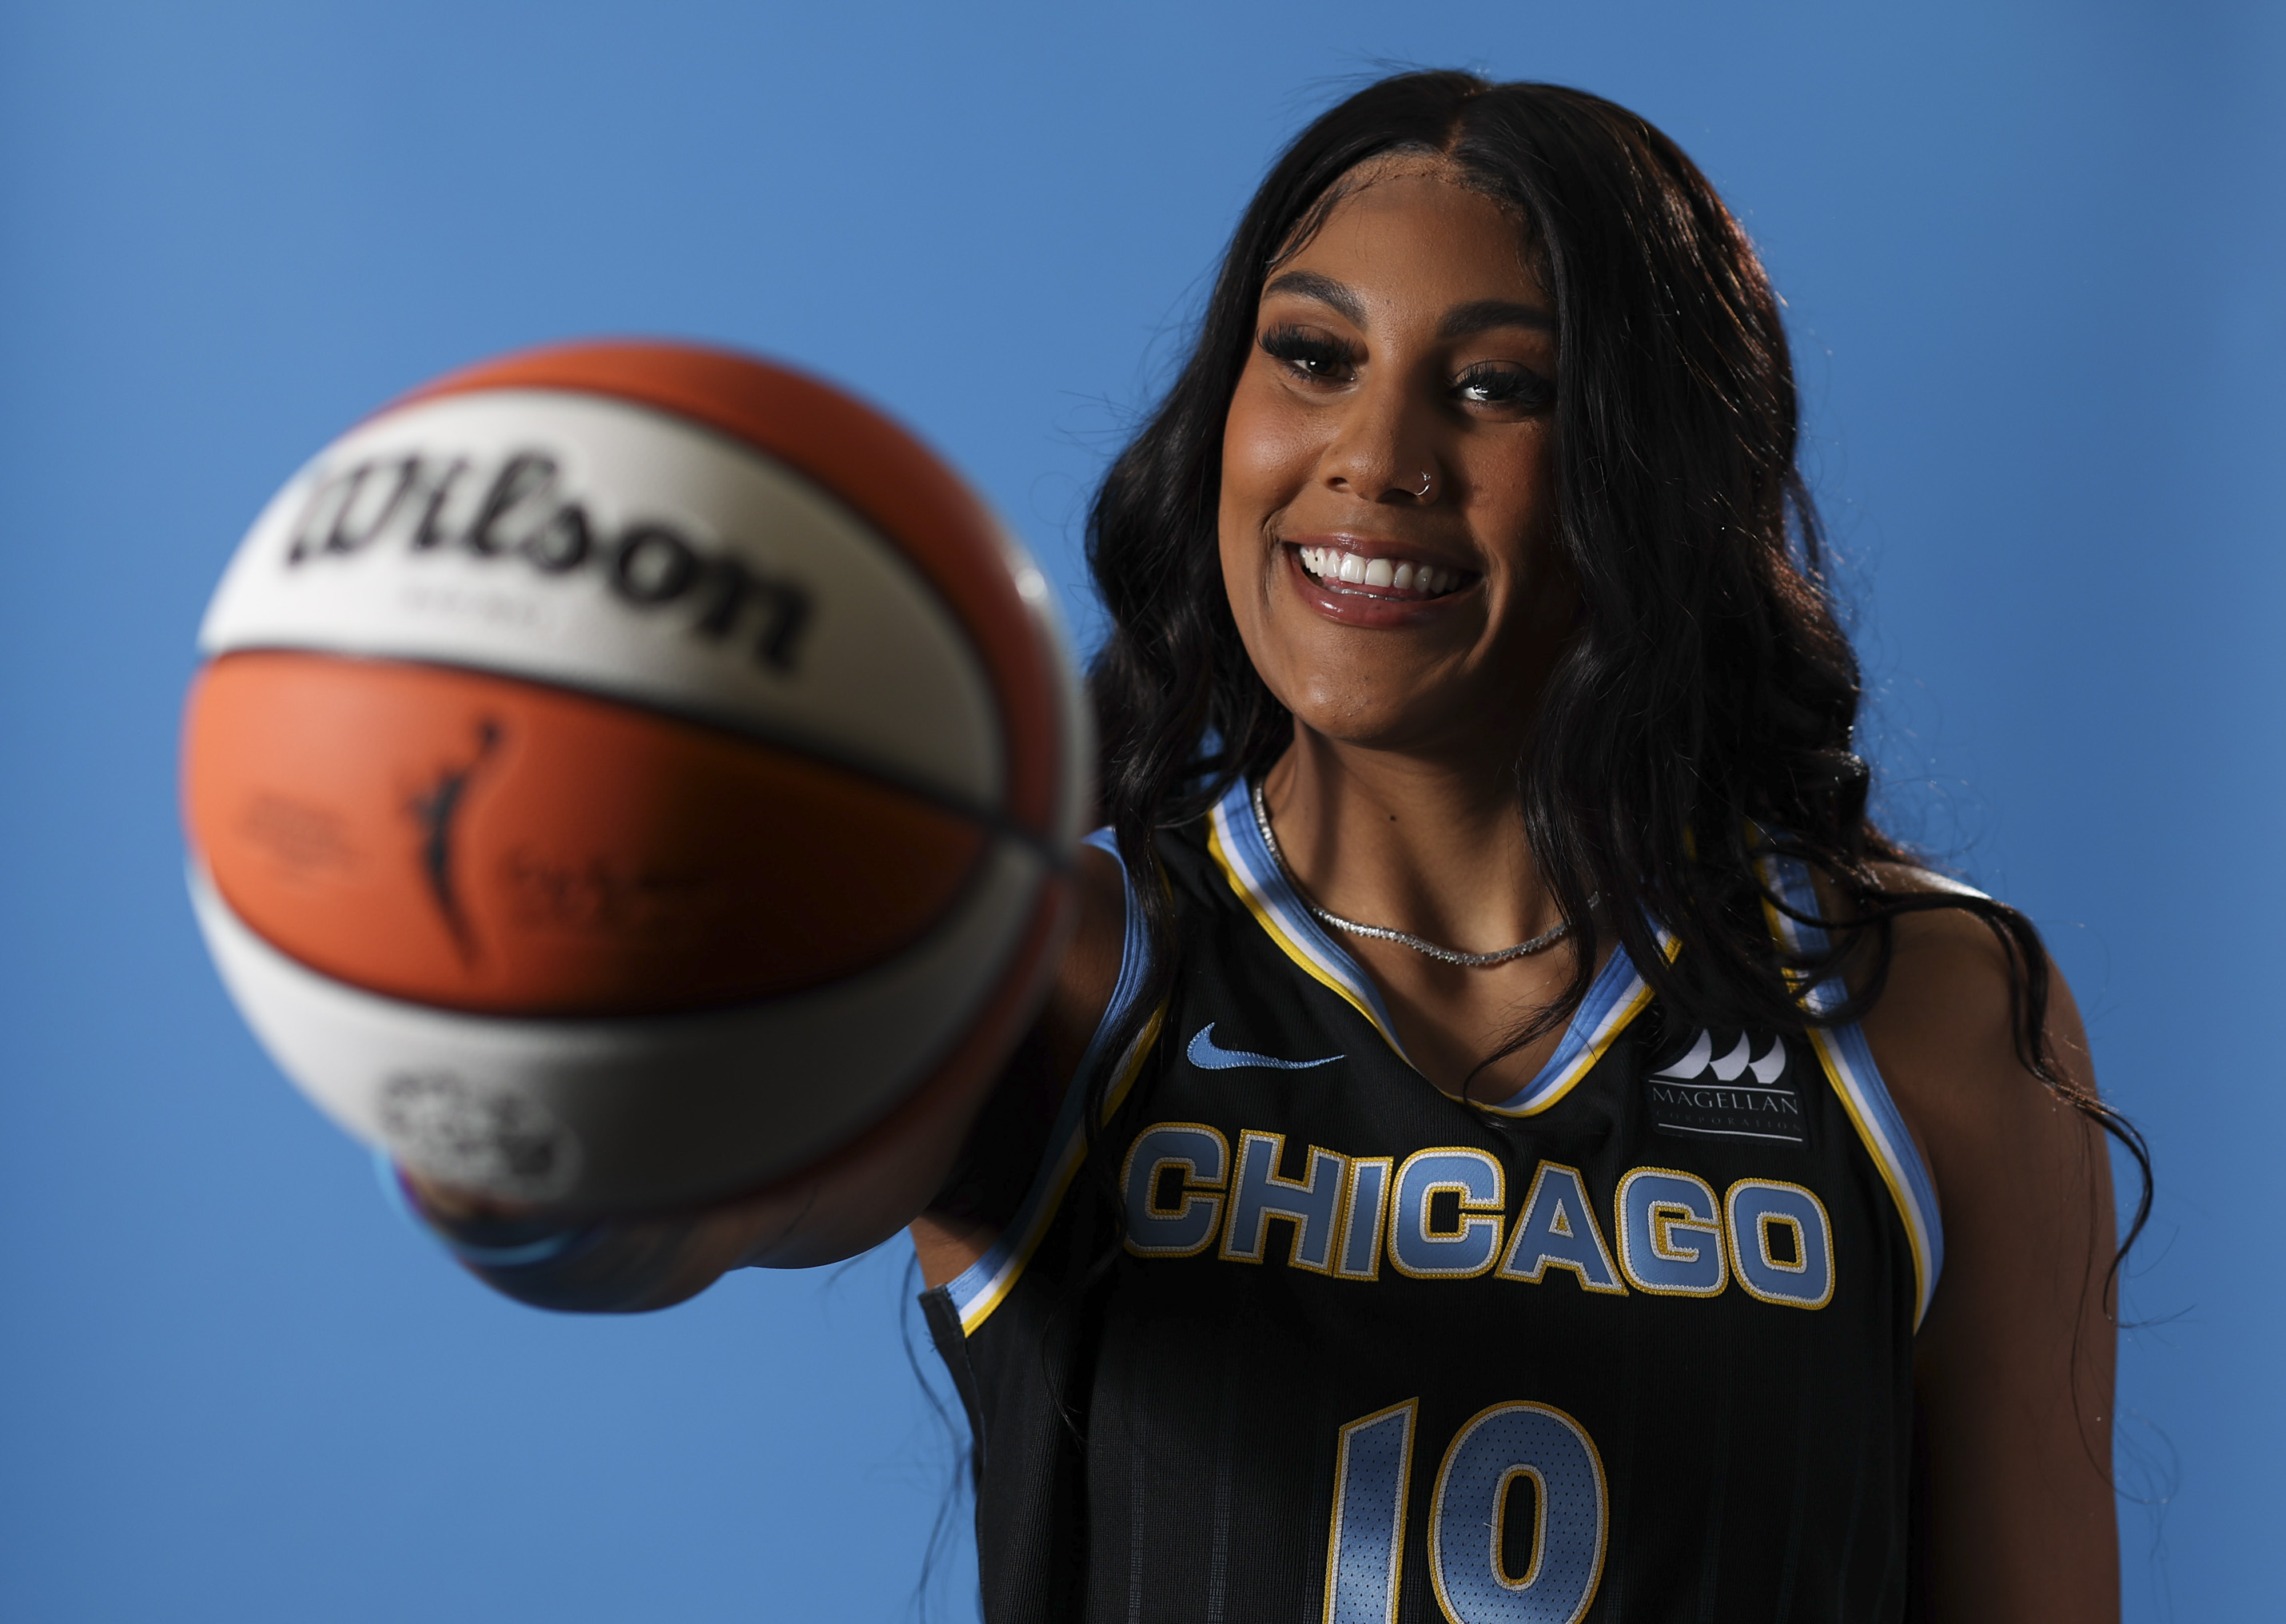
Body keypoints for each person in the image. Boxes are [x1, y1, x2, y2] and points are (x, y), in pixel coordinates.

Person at [401, 70, 2145, 1623]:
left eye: (1497, 387)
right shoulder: (1061, 964)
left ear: (1655, 469)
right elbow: (656, 1223)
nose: (1373, 455)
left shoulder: (1918, 1014)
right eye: (1312, 356)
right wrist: (508, 1081)